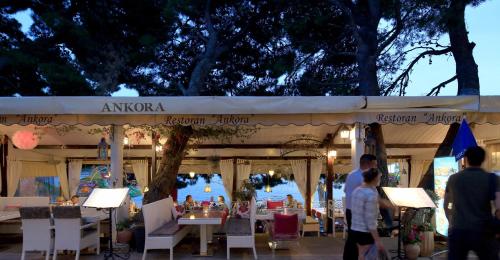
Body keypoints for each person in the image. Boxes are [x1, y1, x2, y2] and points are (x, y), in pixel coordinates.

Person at [444, 146, 500, 260]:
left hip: (459, 230)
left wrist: (451, 222)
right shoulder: (492, 178)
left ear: (466, 159)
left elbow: (446, 205)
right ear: (483, 159)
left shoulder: (454, 178)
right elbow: (499, 207)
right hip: (484, 231)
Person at [343, 154, 377, 260]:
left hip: (349, 211)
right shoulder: (364, 177)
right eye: (374, 164)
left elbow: (345, 190)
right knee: (364, 240)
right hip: (359, 213)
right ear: (368, 164)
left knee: (352, 238)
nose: (375, 167)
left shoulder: (351, 174)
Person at [350, 168, 385, 259]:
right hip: (365, 232)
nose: (380, 180)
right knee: (368, 257)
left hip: (355, 229)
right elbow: (370, 221)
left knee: (361, 255)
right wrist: (377, 240)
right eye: (379, 178)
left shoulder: (357, 190)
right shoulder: (370, 194)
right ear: (374, 179)